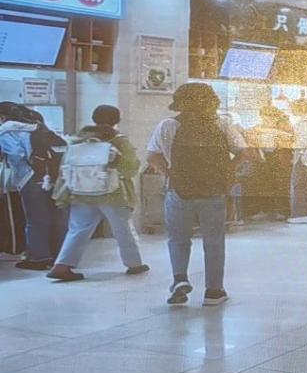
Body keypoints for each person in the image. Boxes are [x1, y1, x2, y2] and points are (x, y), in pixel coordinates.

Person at [147, 82, 247, 306]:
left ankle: (180, 279)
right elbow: (244, 152)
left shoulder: (167, 125)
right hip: (213, 192)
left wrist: (169, 173)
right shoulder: (222, 125)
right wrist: (227, 171)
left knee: (178, 238)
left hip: (178, 191)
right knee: (214, 241)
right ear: (212, 101)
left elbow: (152, 156)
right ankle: (214, 291)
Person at [48, 105, 148, 282]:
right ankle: (134, 264)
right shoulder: (119, 141)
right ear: (117, 120)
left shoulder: (77, 141)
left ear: (93, 118)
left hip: (80, 193)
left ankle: (62, 266)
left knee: (77, 230)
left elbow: (65, 169)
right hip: (113, 194)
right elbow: (131, 168)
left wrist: (62, 194)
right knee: (123, 230)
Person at [0, 103, 67, 270]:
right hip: (51, 176)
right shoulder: (37, 127)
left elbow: (16, 156)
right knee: (53, 218)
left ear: (2, 117)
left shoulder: (6, 130)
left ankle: (38, 258)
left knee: (35, 220)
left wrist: (22, 176)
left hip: (30, 177)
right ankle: (58, 256)